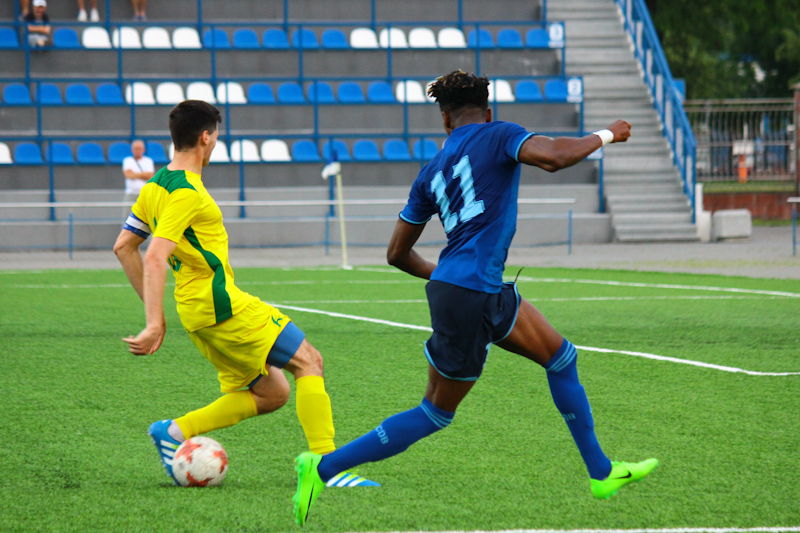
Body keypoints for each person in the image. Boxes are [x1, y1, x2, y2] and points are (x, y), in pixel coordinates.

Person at [292, 71, 658, 525]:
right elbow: (555, 157)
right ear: (487, 113)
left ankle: (602, 473)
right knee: (435, 413)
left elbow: (396, 254)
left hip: (477, 289)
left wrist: (448, 277)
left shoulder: (431, 171)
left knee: (561, 357)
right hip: (472, 292)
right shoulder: (499, 134)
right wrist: (608, 134)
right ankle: (322, 467)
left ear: (445, 120)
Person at [113, 100, 377, 488]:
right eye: (216, 136)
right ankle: (326, 469)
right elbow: (153, 255)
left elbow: (124, 246)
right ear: (206, 137)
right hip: (219, 305)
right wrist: (154, 321)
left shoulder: (154, 186)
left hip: (196, 311)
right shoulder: (187, 191)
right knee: (309, 361)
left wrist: (161, 316)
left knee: (273, 392)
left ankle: (173, 431)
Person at [122, 140, 155, 213]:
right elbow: (128, 175)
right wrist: (144, 174)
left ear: (144, 150)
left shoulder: (148, 161)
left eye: (139, 149)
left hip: (144, 194)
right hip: (131, 193)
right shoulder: (127, 160)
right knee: (127, 214)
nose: (137, 151)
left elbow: (150, 176)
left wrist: (135, 174)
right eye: (136, 149)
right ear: (132, 150)